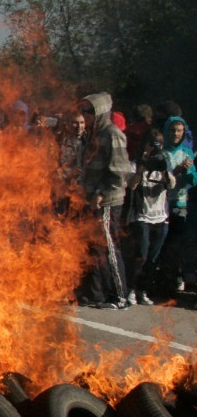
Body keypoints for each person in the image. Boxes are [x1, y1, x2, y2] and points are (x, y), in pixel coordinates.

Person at [77, 92, 133, 309]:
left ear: (99, 112)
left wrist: (101, 193)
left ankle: (120, 296)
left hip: (107, 202)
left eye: (88, 111)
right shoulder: (94, 135)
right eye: (83, 111)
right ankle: (100, 294)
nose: (85, 115)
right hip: (92, 200)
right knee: (96, 249)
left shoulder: (112, 134)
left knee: (109, 248)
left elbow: (119, 172)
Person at [124, 129, 173, 306]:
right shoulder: (135, 164)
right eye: (151, 144)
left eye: (158, 145)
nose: (154, 148)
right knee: (141, 256)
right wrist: (142, 168)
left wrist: (165, 169)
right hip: (141, 216)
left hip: (161, 216)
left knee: (152, 258)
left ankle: (142, 290)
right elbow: (131, 185)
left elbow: (171, 184)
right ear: (145, 145)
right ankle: (130, 289)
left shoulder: (164, 163)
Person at [159, 115, 197, 294]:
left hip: (180, 204)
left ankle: (176, 279)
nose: (176, 134)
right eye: (173, 130)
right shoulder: (161, 152)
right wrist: (176, 170)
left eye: (179, 131)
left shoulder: (187, 152)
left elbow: (194, 180)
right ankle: (162, 280)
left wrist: (188, 172)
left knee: (177, 243)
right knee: (163, 244)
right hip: (160, 204)